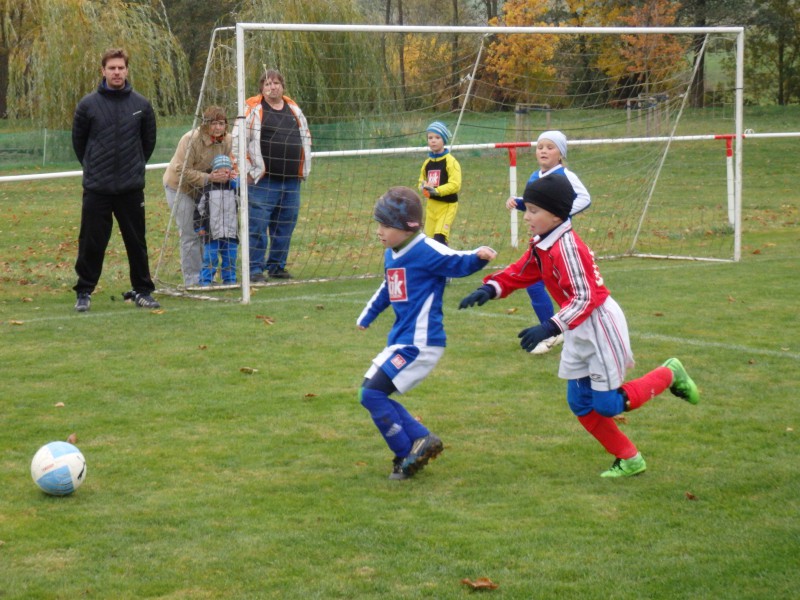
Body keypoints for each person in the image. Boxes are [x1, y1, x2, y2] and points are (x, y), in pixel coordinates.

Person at [459, 174, 699, 478]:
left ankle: (670, 373)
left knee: (607, 405)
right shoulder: (544, 242)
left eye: (533, 210)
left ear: (556, 215)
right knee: (580, 402)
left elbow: (586, 298)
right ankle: (629, 458)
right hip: (576, 324)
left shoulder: (567, 247)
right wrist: (491, 288)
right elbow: (523, 269)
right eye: (526, 209)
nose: (526, 216)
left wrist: (550, 326)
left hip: (599, 324)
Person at [357, 187, 497, 480]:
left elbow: (456, 259)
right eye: (378, 224)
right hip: (402, 340)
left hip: (420, 342)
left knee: (372, 394)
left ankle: (406, 453)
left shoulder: (425, 250)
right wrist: (368, 315)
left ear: (407, 227)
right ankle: (421, 440)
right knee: (368, 393)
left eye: (385, 225)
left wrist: (479, 256)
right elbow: (388, 287)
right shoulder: (392, 253)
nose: (379, 231)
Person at [72, 47, 159, 312]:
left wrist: (133, 168)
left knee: (136, 242)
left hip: (130, 188)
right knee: (91, 242)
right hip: (97, 188)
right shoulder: (87, 105)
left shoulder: (142, 105)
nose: (117, 72)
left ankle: (143, 291)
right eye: (112, 68)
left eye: (121, 67)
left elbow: (148, 143)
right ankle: (84, 291)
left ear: (127, 70)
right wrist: (94, 168)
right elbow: (79, 143)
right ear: (103, 71)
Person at [505, 130, 591, 354]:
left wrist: (561, 212)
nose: (543, 151)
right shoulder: (535, 176)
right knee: (534, 285)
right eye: (540, 147)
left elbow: (585, 198)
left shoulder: (565, 175)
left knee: (566, 289)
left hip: (558, 241)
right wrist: (519, 202)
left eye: (550, 147)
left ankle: (570, 331)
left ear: (560, 154)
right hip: (540, 241)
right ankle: (553, 331)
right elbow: (535, 205)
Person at [233, 68, 311, 282]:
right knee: (257, 226)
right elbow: (237, 143)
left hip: (291, 181)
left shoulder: (294, 109)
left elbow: (305, 137)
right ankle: (254, 270)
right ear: (261, 88)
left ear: (282, 86)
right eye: (267, 84)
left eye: (276, 83)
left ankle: (277, 266)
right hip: (262, 182)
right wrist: (246, 171)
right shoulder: (251, 110)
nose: (272, 87)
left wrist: (303, 168)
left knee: (285, 225)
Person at [163, 106, 233, 287]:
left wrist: (228, 174)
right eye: (213, 123)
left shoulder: (228, 140)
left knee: (208, 233)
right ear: (205, 124)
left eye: (221, 123)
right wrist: (209, 178)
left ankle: (206, 278)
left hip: (206, 191)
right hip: (180, 187)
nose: (218, 127)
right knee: (190, 233)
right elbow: (181, 169)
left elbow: (226, 163)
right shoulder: (190, 139)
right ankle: (193, 280)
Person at [194, 154, 239, 286]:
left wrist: (237, 184)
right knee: (210, 258)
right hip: (212, 232)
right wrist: (199, 227)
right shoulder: (206, 190)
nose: (224, 174)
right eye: (221, 171)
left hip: (231, 232)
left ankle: (230, 280)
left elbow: (244, 201)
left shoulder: (234, 189)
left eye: (227, 171)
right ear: (215, 172)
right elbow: (198, 210)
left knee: (230, 258)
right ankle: (205, 281)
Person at [418, 121, 462, 246]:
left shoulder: (451, 162)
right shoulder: (427, 163)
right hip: (431, 206)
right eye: (430, 138)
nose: (433, 141)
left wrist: (437, 191)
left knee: (440, 239)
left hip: (447, 206)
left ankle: (446, 258)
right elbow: (421, 181)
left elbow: (455, 185)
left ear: (444, 140)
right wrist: (423, 187)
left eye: (437, 137)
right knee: (429, 242)